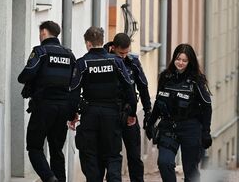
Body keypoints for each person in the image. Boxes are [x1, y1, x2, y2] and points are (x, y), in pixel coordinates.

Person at [68, 27, 137, 182]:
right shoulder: (117, 62)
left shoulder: (82, 63)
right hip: (112, 114)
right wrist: (131, 113)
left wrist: (72, 115)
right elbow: (129, 89)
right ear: (102, 41)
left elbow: (73, 93)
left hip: (90, 115)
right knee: (113, 155)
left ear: (88, 43)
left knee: (89, 154)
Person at [18, 21, 77, 182]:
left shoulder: (41, 51)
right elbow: (74, 84)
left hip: (44, 107)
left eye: (40, 33)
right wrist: (73, 112)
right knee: (57, 150)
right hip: (63, 108)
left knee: (34, 147)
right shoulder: (69, 54)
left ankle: (50, 179)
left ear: (44, 33)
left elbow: (27, 73)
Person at [145, 44, 212, 182]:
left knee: (190, 171)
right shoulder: (165, 77)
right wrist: (150, 123)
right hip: (168, 126)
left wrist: (206, 132)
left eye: (184, 60)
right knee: (164, 163)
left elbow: (207, 107)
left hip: (190, 128)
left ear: (190, 62)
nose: (180, 63)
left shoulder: (196, 81)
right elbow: (159, 102)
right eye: (178, 59)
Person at [104, 33, 152, 182]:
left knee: (134, 156)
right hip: (110, 114)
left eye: (127, 53)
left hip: (129, 113)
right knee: (112, 155)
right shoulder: (104, 60)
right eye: (121, 53)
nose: (124, 56)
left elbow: (143, 87)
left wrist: (148, 110)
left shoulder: (133, 62)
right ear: (113, 48)